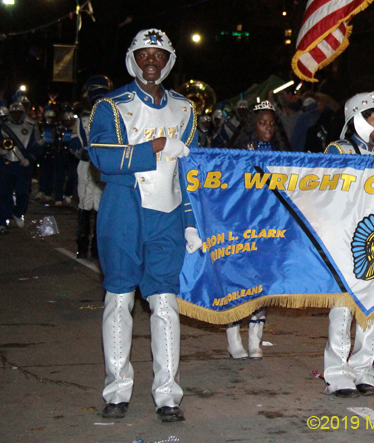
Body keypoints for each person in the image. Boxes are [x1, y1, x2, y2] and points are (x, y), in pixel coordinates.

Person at [89, 28, 199, 422]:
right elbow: (100, 155)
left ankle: (168, 394)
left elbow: (190, 173)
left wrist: (190, 221)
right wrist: (154, 146)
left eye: (159, 55)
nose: (151, 61)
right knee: (119, 299)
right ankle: (117, 389)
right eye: (144, 54)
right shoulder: (110, 105)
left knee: (165, 303)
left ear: (168, 61)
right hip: (124, 209)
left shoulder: (186, 109)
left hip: (167, 215)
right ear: (132, 59)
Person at [323, 92, 374, 398]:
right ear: (359, 119)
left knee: (373, 308)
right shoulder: (337, 150)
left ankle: (364, 368)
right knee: (343, 308)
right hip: (346, 240)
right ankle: (337, 372)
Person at [225, 100, 290, 360]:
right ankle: (233, 337)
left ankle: (255, 339)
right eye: (263, 123)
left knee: (263, 281)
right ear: (253, 124)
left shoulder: (281, 151)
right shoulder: (240, 150)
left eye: (272, 124)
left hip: (269, 224)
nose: (268, 129)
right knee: (238, 281)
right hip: (242, 223)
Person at [72, 75, 112, 259]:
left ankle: (97, 248)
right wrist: (82, 152)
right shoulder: (82, 120)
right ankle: (82, 245)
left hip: (103, 167)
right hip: (86, 166)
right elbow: (74, 142)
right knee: (84, 205)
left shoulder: (114, 120)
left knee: (101, 208)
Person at [0, 101, 41, 233]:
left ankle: (18, 212)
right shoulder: (3, 127)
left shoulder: (31, 126)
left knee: (22, 192)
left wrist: (30, 158)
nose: (16, 116)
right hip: (7, 165)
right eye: (13, 113)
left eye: (18, 113)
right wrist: (0, 152)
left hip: (22, 166)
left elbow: (39, 144)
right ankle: (2, 221)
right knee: (4, 194)